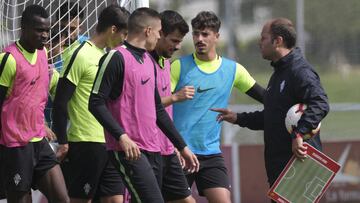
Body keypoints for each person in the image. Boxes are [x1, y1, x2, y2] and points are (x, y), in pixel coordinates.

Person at [211, 18, 330, 201]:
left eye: (263, 38)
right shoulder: (278, 74)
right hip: (279, 170)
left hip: (298, 167)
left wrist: (299, 134)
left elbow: (320, 103)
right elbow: (273, 117)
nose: (260, 42)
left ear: (278, 41)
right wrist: (237, 118)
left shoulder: (299, 71)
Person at [88, 7, 199, 203]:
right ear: (148, 31)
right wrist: (122, 137)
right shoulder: (116, 57)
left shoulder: (148, 60)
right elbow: (95, 103)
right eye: (158, 33)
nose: (159, 38)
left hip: (153, 149)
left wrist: (182, 147)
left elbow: (157, 109)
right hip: (129, 150)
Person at [171, 11, 265, 203]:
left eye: (205, 34)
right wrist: (172, 146)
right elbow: (157, 105)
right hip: (180, 152)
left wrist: (296, 104)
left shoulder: (233, 70)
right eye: (196, 34)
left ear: (217, 37)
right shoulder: (178, 66)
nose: (199, 39)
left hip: (210, 154)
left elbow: (267, 98)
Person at [52, 5, 129, 203]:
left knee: (115, 200)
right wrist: (63, 141)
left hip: (111, 142)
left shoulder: (109, 56)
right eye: (124, 34)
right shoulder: (80, 55)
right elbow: (61, 102)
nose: (124, 39)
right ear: (113, 30)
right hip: (86, 142)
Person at [0, 5, 69, 203]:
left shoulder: (44, 52)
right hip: (15, 146)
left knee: (62, 199)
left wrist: (42, 124)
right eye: (39, 30)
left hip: (39, 142)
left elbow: (32, 97)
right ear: (24, 28)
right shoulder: (9, 59)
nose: (45, 35)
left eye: (47, 30)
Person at [150, 10, 195, 203]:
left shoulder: (166, 63)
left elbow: (164, 112)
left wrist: (173, 144)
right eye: (173, 41)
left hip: (168, 149)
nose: (177, 46)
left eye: (180, 42)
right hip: (149, 150)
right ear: (160, 34)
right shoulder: (144, 61)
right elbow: (145, 105)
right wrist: (175, 97)